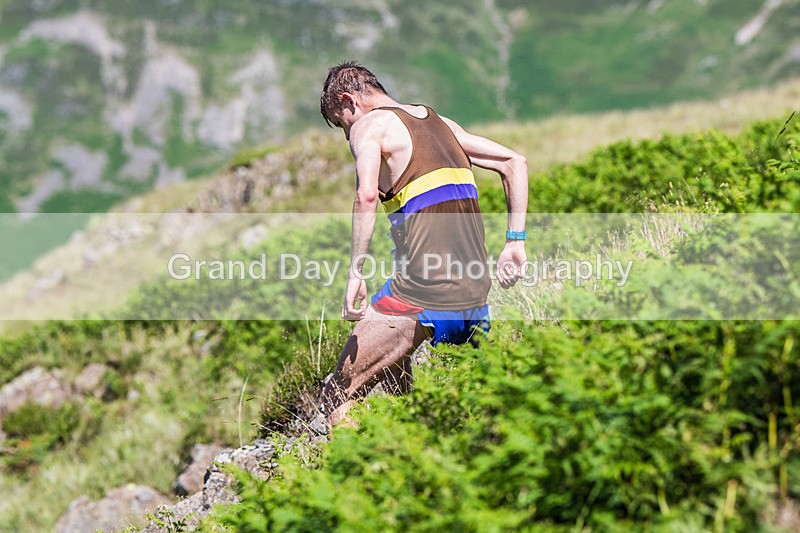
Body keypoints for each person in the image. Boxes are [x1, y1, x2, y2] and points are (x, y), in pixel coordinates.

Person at [318, 61, 528, 428]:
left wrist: (355, 272)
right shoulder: (440, 123)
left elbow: (367, 196)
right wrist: (515, 241)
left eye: (341, 123)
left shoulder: (369, 125)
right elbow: (515, 162)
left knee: (337, 393)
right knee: (439, 402)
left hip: (425, 289)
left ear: (349, 101)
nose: (346, 134)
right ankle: (419, 442)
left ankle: (363, 480)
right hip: (475, 292)